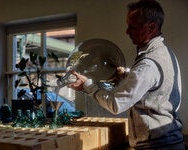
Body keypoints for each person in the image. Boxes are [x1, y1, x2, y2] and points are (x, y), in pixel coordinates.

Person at [69, 0, 185, 149]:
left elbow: (116, 105)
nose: (127, 32)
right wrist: (126, 76)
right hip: (171, 142)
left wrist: (88, 85)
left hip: (156, 146)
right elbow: (155, 88)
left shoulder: (148, 64)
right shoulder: (166, 54)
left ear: (151, 27)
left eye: (133, 27)